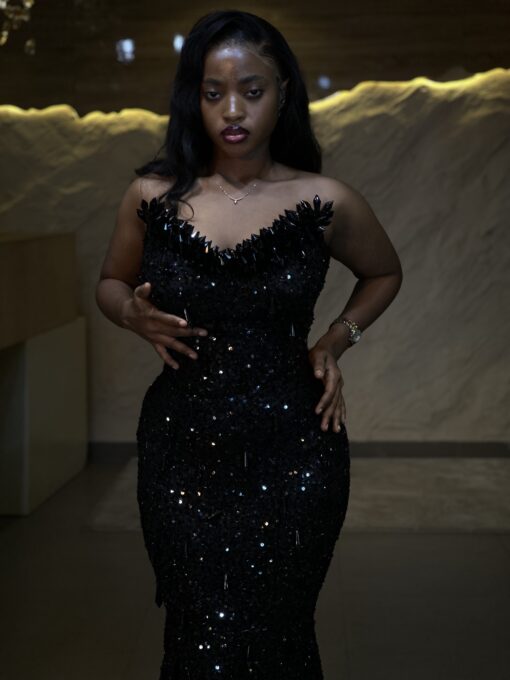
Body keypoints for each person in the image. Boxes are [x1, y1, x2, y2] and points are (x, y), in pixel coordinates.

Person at [96, 9, 402, 679]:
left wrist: (335, 341)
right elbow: (111, 283)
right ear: (194, 98)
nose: (232, 110)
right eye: (213, 93)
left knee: (280, 629)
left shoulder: (325, 200)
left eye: (251, 91)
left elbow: (384, 272)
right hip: (182, 447)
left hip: (296, 448)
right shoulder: (151, 197)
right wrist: (131, 315)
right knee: (198, 628)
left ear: (283, 92)